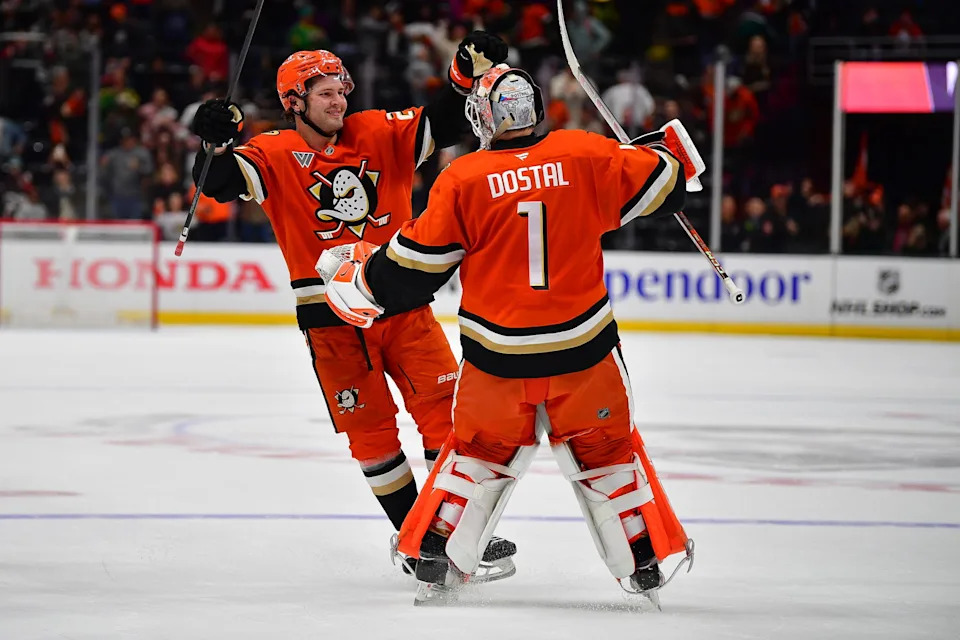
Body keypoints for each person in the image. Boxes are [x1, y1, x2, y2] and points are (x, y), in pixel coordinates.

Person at [321, 64, 695, 604]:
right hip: (584, 355)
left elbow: (412, 270)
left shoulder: (464, 178)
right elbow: (669, 182)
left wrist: (363, 280)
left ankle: (434, 557)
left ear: (486, 116)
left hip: (498, 361)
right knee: (607, 457)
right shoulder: (585, 152)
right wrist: (657, 151)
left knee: (475, 457)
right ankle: (643, 563)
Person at [187, 35, 516, 573]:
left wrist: (461, 74)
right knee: (372, 435)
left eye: (340, 87)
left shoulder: (380, 130)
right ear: (294, 102)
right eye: (323, 92)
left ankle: (444, 531)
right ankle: (418, 539)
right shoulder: (271, 152)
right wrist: (215, 144)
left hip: (403, 306)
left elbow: (451, 122)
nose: (338, 99)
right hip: (331, 323)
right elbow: (217, 183)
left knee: (449, 419)